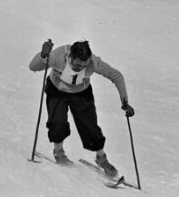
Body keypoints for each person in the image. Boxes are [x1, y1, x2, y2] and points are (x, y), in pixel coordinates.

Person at [29, 40, 135, 178]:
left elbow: (116, 76)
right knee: (57, 122)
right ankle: (59, 153)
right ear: (70, 57)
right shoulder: (58, 56)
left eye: (83, 66)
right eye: (77, 64)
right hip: (57, 89)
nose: (80, 68)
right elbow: (33, 67)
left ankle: (101, 159)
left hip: (81, 92)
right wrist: (43, 55)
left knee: (90, 126)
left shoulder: (93, 62)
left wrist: (125, 101)